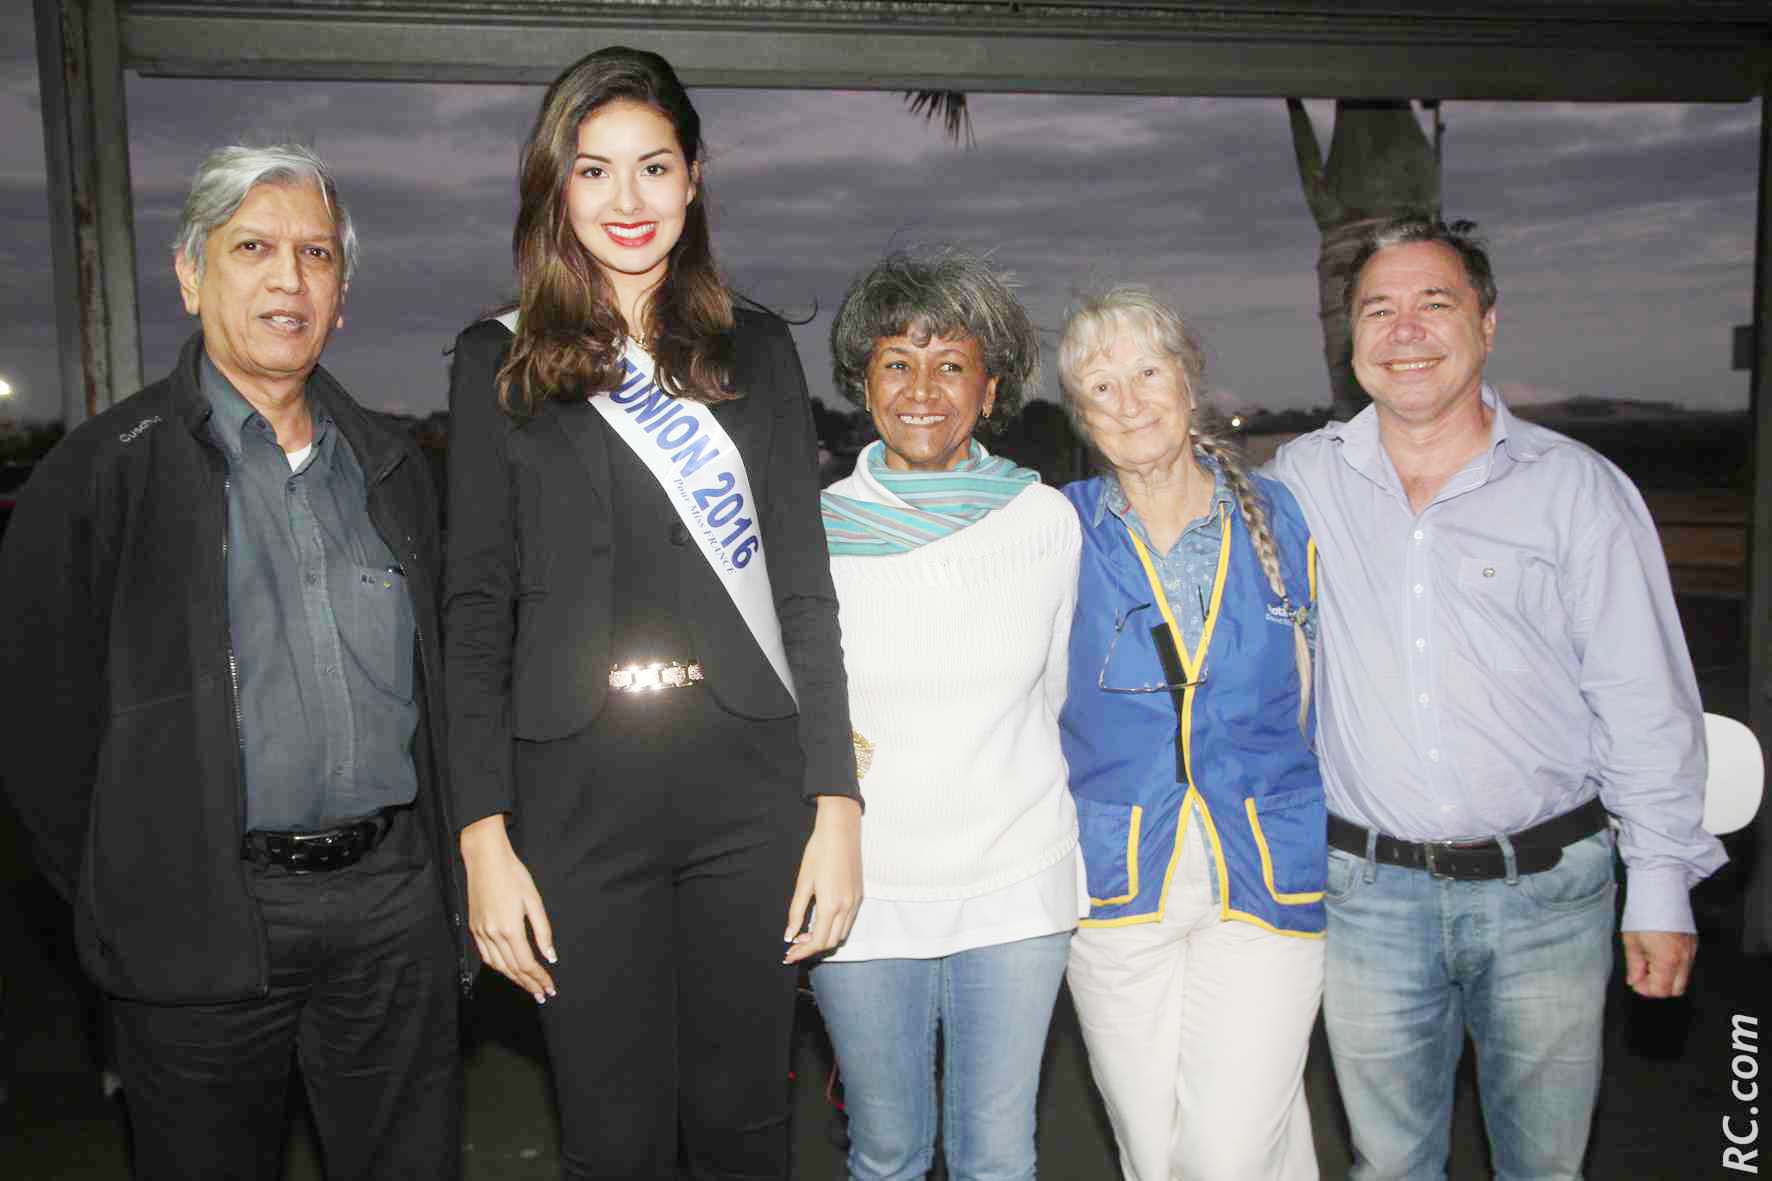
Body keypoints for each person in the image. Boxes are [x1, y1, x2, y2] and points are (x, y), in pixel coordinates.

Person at [0, 144, 468, 1180]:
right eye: (252, 247)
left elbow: (451, 685)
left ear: (340, 294)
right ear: (189, 272)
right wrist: (126, 890)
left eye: (315, 254)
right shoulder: (97, 477)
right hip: (198, 921)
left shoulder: (398, 471)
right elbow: (38, 737)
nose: (287, 280)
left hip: (393, 911)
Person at [443, 46, 862, 1180]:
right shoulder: (497, 360)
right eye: (593, 171)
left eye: (653, 167)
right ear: (554, 186)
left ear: (694, 179)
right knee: (611, 1135)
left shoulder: (759, 349)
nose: (625, 202)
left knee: (742, 1129)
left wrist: (835, 806)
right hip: (574, 798)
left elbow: (800, 590)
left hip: (746, 789)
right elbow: (473, 609)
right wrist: (482, 837)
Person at [1267, 216, 1728, 1180]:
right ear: (1350, 343)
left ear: (1486, 323)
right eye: (1378, 309)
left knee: (1545, 1166)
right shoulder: (1303, 482)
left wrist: (1660, 882)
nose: (1406, 330)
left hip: (1549, 898)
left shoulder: (1577, 491)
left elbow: (1644, 701)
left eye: (1434, 304)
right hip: (1368, 899)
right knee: (1388, 1165)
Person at [812, 250, 1084, 1181]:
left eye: (950, 364)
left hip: (1016, 881)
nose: (922, 389)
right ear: (863, 381)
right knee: (886, 1152)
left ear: (990, 385)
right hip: (863, 895)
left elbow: (1053, 697)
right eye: (897, 362)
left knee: (998, 1155)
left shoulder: (1045, 522)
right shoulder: (811, 532)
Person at [1055, 287, 1325, 1181]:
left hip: (1264, 871)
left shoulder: (1280, 516)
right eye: (1101, 385)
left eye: (1146, 372)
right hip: (1117, 884)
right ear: (1079, 414)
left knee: (1223, 1155)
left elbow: (1319, 698)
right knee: (1151, 1146)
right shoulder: (1057, 530)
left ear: (1188, 376)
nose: (1128, 401)